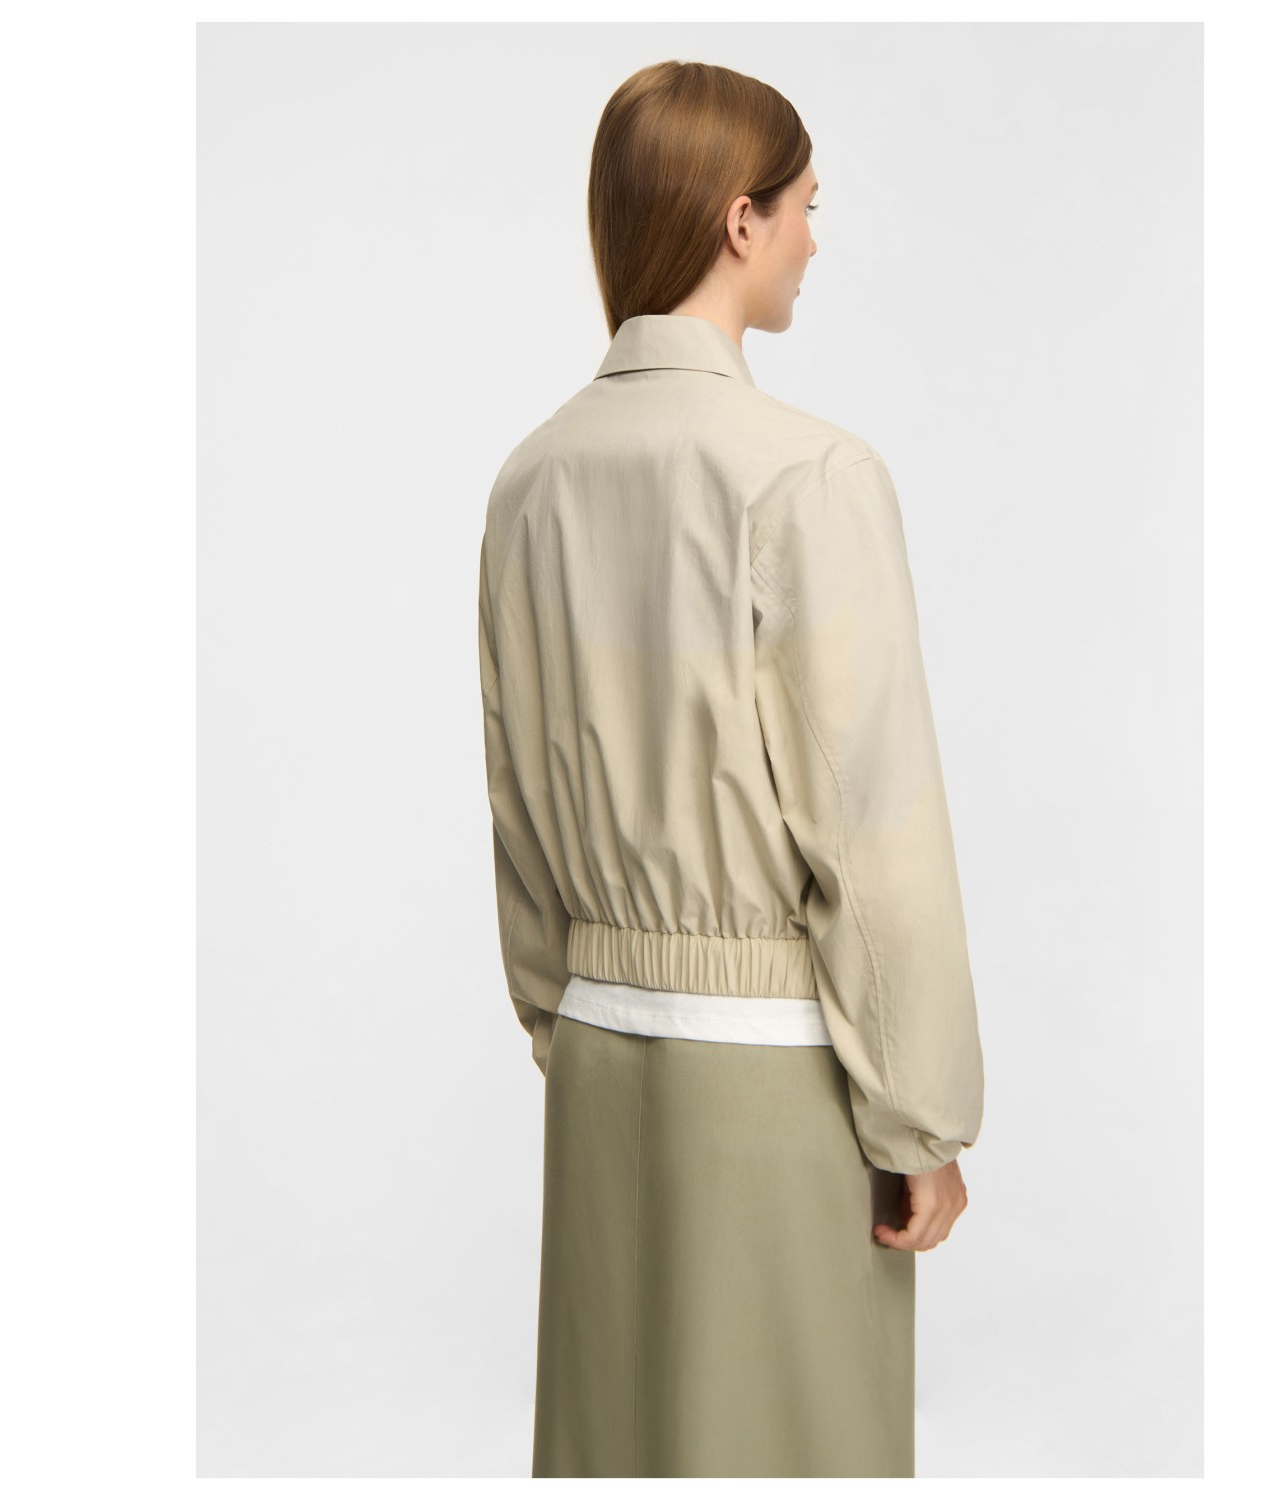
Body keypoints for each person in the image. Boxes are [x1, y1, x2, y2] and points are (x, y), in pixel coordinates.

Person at [476, 59, 985, 1479]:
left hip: (599, 1067)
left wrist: (574, 1019)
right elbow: (872, 834)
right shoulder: (807, 475)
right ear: (738, 218)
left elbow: (514, 803)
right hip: (779, 1085)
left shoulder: (532, 480)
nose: (817, 237)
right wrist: (922, 1117)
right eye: (807, 204)